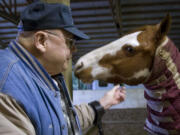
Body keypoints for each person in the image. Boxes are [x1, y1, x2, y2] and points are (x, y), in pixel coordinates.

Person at [0, 2, 126, 135]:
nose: (75, 50)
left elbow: (61, 122)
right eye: (69, 42)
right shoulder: (7, 83)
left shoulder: (39, 75)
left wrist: (105, 102)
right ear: (41, 41)